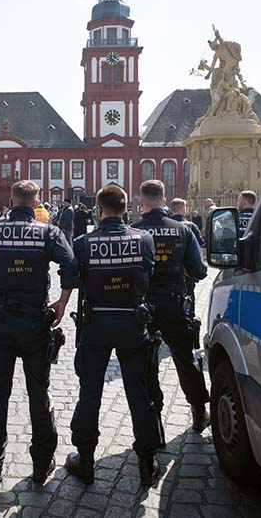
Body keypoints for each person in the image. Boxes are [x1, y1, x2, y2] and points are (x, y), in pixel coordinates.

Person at [0, 180, 78, 483]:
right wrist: (61, 303)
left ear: (11, 200)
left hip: (1, 323)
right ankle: (42, 464)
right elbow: (71, 266)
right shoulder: (48, 231)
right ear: (36, 203)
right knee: (39, 394)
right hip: (36, 322)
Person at [66, 185, 163, 487]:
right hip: (133, 326)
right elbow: (149, 276)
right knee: (139, 394)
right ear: (125, 209)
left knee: (90, 394)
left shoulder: (83, 243)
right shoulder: (143, 239)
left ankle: (85, 460)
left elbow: (72, 276)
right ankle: (147, 464)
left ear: (98, 210)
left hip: (95, 326)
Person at [132, 180, 210, 432]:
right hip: (174, 304)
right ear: (164, 202)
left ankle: (154, 417)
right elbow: (198, 271)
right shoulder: (183, 229)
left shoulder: (133, 230)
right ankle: (199, 411)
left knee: (145, 364)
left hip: (142, 308)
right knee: (186, 359)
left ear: (142, 203)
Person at [169, 198, 207, 304]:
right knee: (189, 295)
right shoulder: (190, 226)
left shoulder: (167, 225)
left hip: (170, 268)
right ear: (183, 209)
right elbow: (201, 247)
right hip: (188, 269)